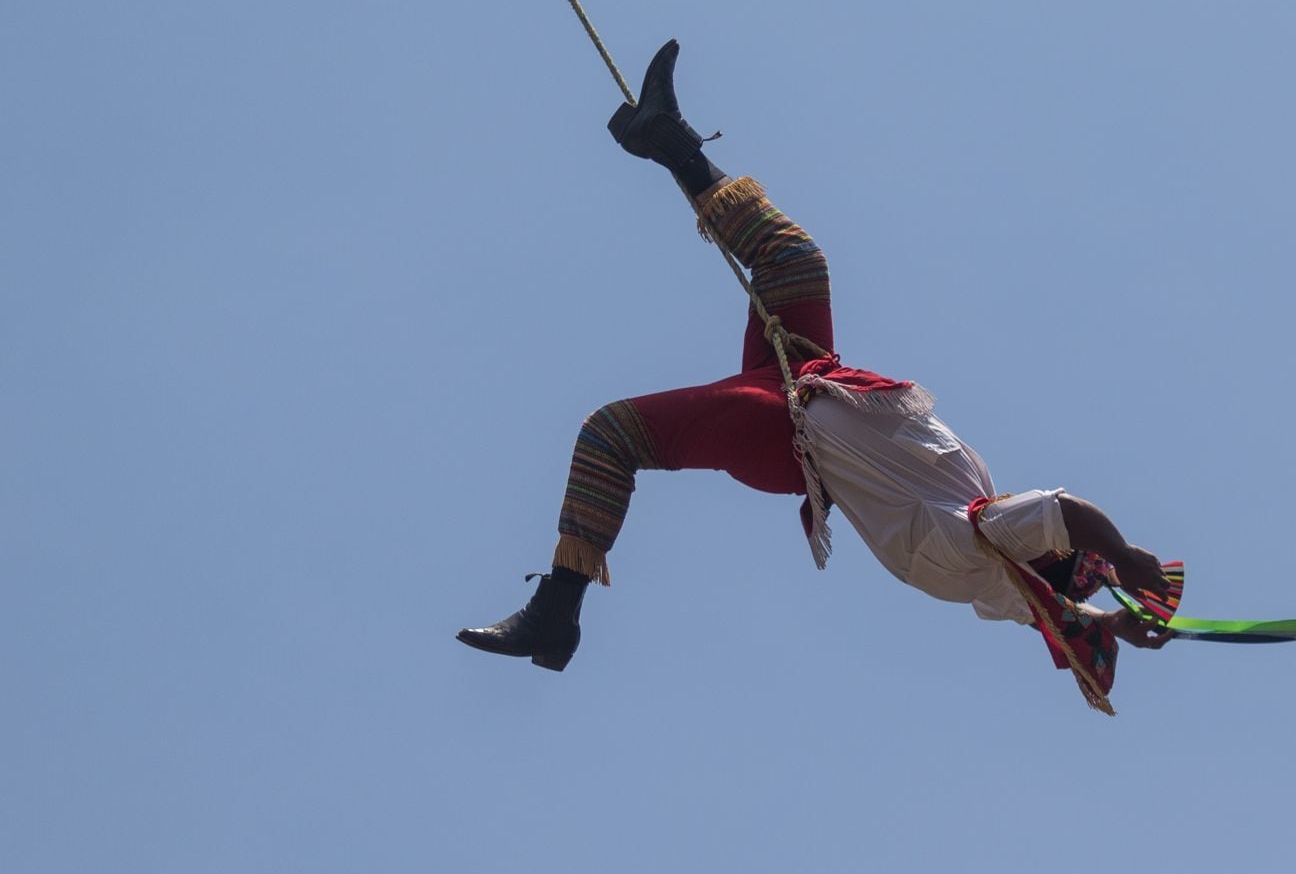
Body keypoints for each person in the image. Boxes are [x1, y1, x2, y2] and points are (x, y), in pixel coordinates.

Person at [457, 41, 1174, 710]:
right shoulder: (997, 574)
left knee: (610, 434)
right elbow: (1042, 605)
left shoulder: (987, 539)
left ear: (1044, 552)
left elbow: (1065, 512)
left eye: (1065, 553)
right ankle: (666, 138)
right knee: (795, 262)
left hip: (787, 431)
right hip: (811, 378)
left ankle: (556, 613)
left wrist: (1125, 555)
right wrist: (1107, 622)